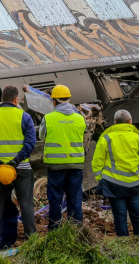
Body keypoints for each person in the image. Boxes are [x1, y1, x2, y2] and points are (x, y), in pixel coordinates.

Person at [0, 85, 37, 245]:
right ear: (16, 100)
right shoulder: (24, 116)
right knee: (26, 204)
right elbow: (30, 142)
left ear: (2, 99)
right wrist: (16, 160)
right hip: (21, 168)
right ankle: (32, 240)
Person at [91, 109, 139, 237]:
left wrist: (101, 179)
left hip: (113, 184)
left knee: (119, 217)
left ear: (115, 123)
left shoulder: (106, 139)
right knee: (137, 216)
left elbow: (97, 162)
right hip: (135, 183)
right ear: (130, 122)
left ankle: (123, 243)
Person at [39, 85, 86, 231]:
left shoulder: (48, 118)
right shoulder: (80, 119)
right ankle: (76, 231)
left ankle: (55, 230)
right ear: (68, 99)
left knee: (55, 199)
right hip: (75, 164)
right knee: (75, 198)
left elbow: (41, 136)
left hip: (55, 165)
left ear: (54, 101)